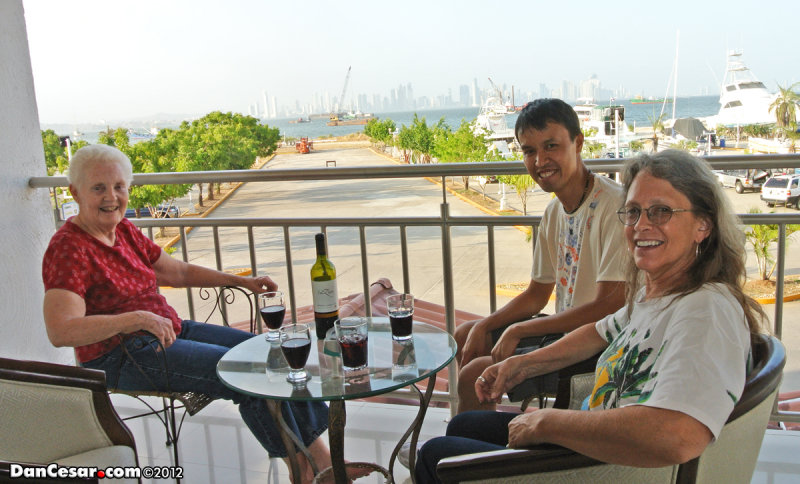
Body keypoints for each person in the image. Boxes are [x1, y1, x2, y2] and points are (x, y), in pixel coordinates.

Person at [414, 149, 767, 483]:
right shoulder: (661, 294)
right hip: (596, 444)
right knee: (467, 427)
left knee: (436, 455)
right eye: (633, 212)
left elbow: (678, 435)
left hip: (611, 469)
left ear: (703, 226)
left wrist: (548, 423)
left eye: (661, 211)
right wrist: (521, 366)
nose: (641, 225)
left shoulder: (707, 311)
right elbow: (598, 333)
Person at [41, 144, 329, 483]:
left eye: (119, 187)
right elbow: (61, 330)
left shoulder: (123, 230)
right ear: (75, 192)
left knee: (272, 353)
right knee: (248, 376)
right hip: (119, 354)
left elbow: (175, 273)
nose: (111, 197)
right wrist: (135, 319)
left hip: (168, 329)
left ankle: (323, 464)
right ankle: (303, 472)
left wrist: (242, 281)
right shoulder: (68, 249)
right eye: (98, 188)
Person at [455, 98, 627, 413]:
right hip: (566, 331)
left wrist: (520, 329)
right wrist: (486, 325)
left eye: (551, 146)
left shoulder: (614, 207)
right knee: (465, 334)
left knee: (471, 374)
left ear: (578, 143)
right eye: (529, 151)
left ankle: (474, 448)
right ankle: (478, 433)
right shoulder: (553, 212)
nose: (540, 160)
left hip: (601, 346)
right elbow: (537, 295)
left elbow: (609, 306)